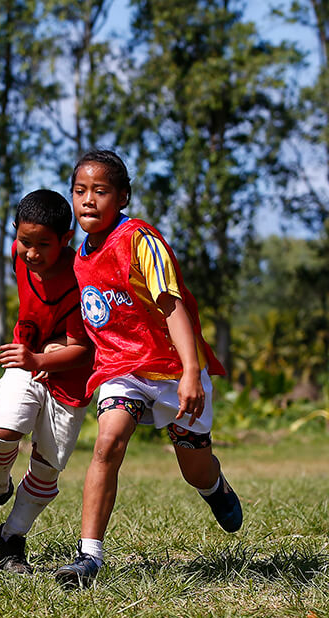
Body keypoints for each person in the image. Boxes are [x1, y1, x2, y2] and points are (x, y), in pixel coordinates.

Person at [53, 149, 242, 589]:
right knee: (108, 442)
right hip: (122, 368)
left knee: (193, 467)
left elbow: (171, 306)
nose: (88, 201)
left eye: (100, 191)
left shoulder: (140, 240)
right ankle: (88, 558)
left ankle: (215, 487)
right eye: (80, 191)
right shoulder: (79, 255)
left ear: (123, 197)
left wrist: (192, 371)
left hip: (174, 368)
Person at [0, 189, 94, 574]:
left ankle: (12, 537)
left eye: (43, 245)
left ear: (67, 239)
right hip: (27, 359)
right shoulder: (21, 257)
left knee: (47, 467)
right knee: (3, 431)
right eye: (24, 241)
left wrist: (45, 356)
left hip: (70, 379)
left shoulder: (83, 278)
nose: (32, 253)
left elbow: (84, 349)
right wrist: (33, 355)